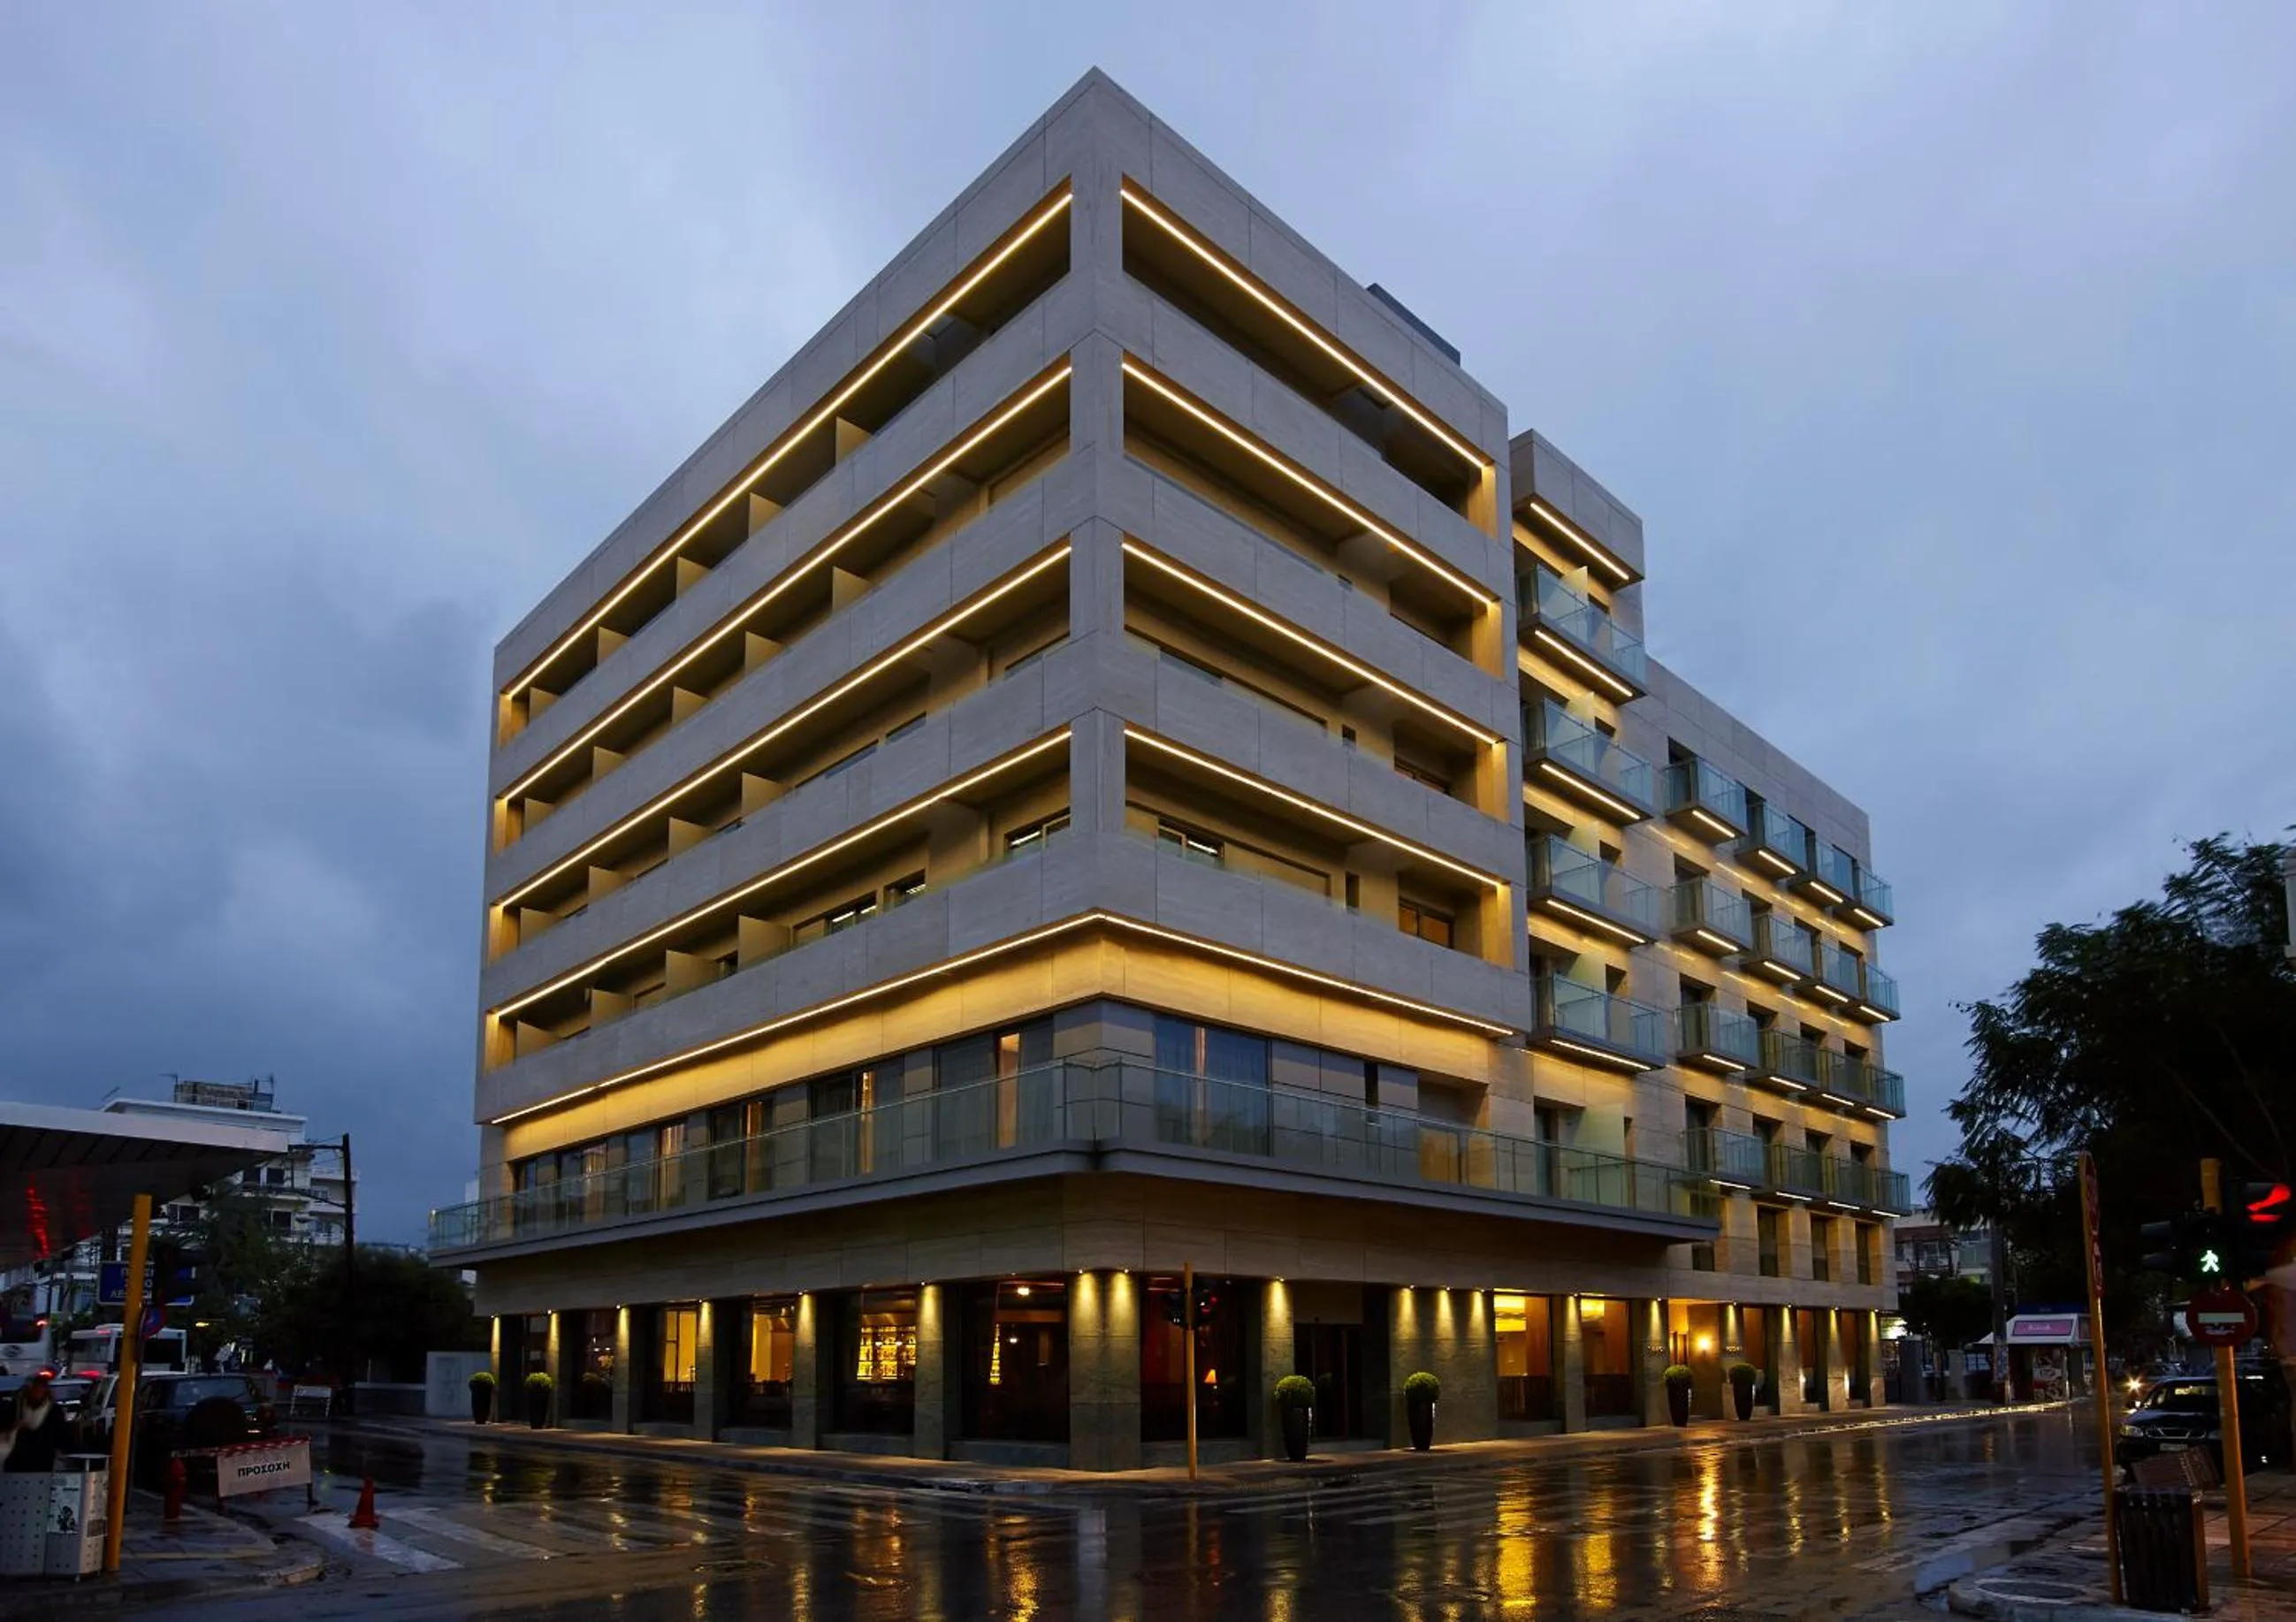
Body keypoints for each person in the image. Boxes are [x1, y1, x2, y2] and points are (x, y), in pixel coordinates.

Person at [5, 1369, 72, 1471]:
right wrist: (15, 1426)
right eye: (36, 1387)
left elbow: (60, 1434)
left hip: (43, 1457)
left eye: (42, 1387)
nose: (39, 1391)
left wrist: (59, 1449)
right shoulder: (17, 1406)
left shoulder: (53, 1410)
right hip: (17, 1457)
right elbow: (6, 1424)